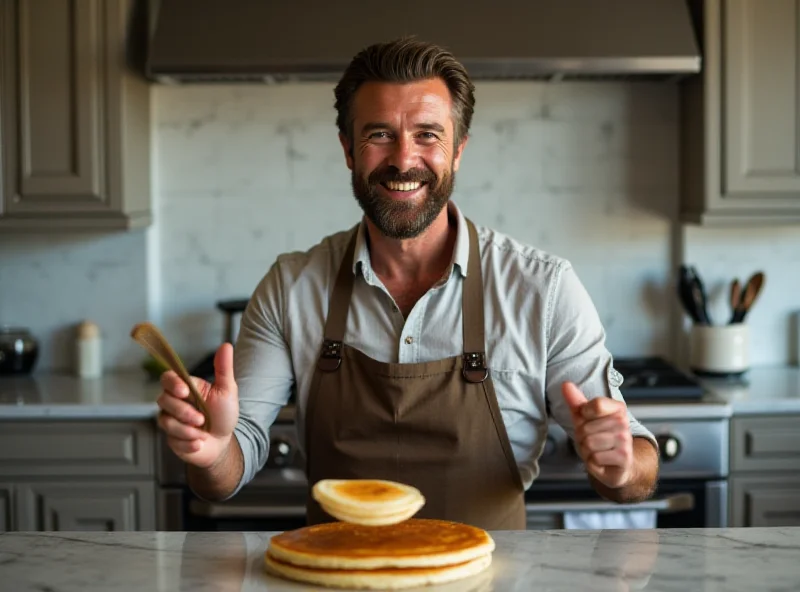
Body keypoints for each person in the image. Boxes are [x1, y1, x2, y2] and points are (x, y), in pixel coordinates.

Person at [156, 37, 660, 530]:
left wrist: (619, 465)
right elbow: (226, 470)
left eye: (427, 135)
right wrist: (212, 452)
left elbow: (634, 468)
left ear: (458, 150)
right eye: (379, 134)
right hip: (337, 579)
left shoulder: (542, 289)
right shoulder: (292, 287)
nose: (402, 159)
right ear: (348, 150)